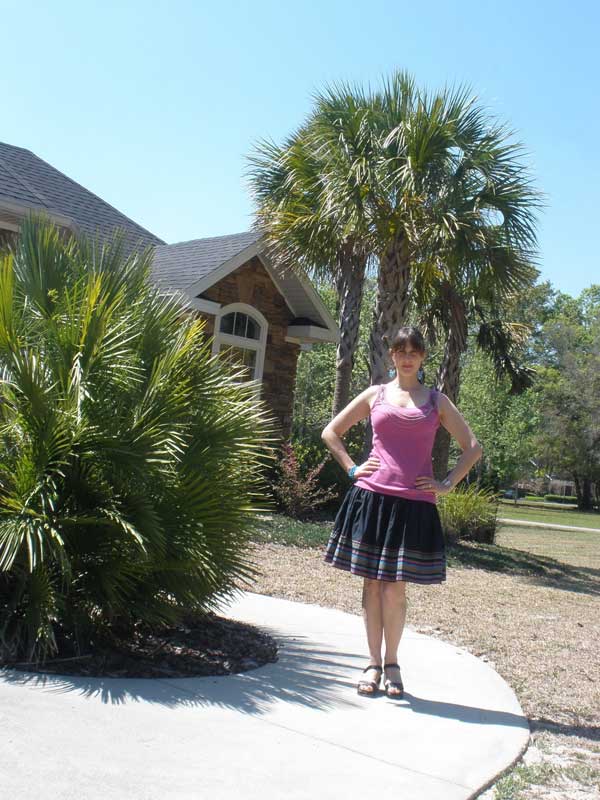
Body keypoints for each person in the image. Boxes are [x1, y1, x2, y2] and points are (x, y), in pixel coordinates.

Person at [321, 326, 482, 698]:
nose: (407, 358)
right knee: (372, 585)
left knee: (395, 589)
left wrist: (447, 483)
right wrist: (352, 468)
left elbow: (472, 447)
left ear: (422, 357)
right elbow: (331, 432)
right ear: (391, 355)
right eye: (400, 351)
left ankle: (392, 663)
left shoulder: (436, 401)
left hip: (413, 505)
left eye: (413, 352)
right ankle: (372, 664)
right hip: (371, 499)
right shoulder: (375, 394)